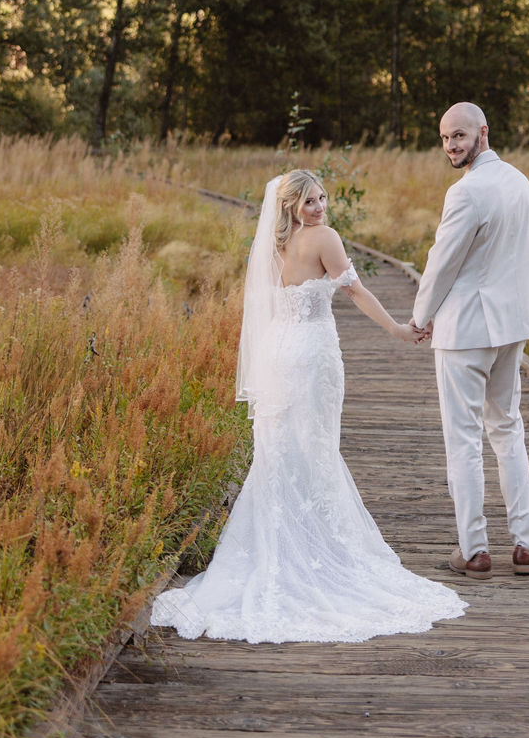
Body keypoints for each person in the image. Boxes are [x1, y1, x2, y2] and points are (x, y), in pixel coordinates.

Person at [151, 168, 466, 643]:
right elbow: (355, 290)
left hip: (279, 353)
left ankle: (281, 548)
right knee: (314, 448)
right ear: (292, 207)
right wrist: (400, 330)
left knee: (280, 452)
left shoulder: (272, 246)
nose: (319, 208)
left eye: (322, 199)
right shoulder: (325, 239)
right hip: (313, 355)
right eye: (309, 202)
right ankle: (319, 551)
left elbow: (267, 307)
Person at [413, 102, 529, 580]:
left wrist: (420, 317)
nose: (451, 145)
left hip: (466, 331)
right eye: (445, 138)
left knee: (464, 439)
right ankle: (526, 543)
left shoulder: (466, 193)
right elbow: (527, 254)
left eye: (459, 135)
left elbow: (442, 261)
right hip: (510, 327)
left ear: (483, 132)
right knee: (507, 428)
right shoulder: (521, 182)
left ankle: (475, 550)